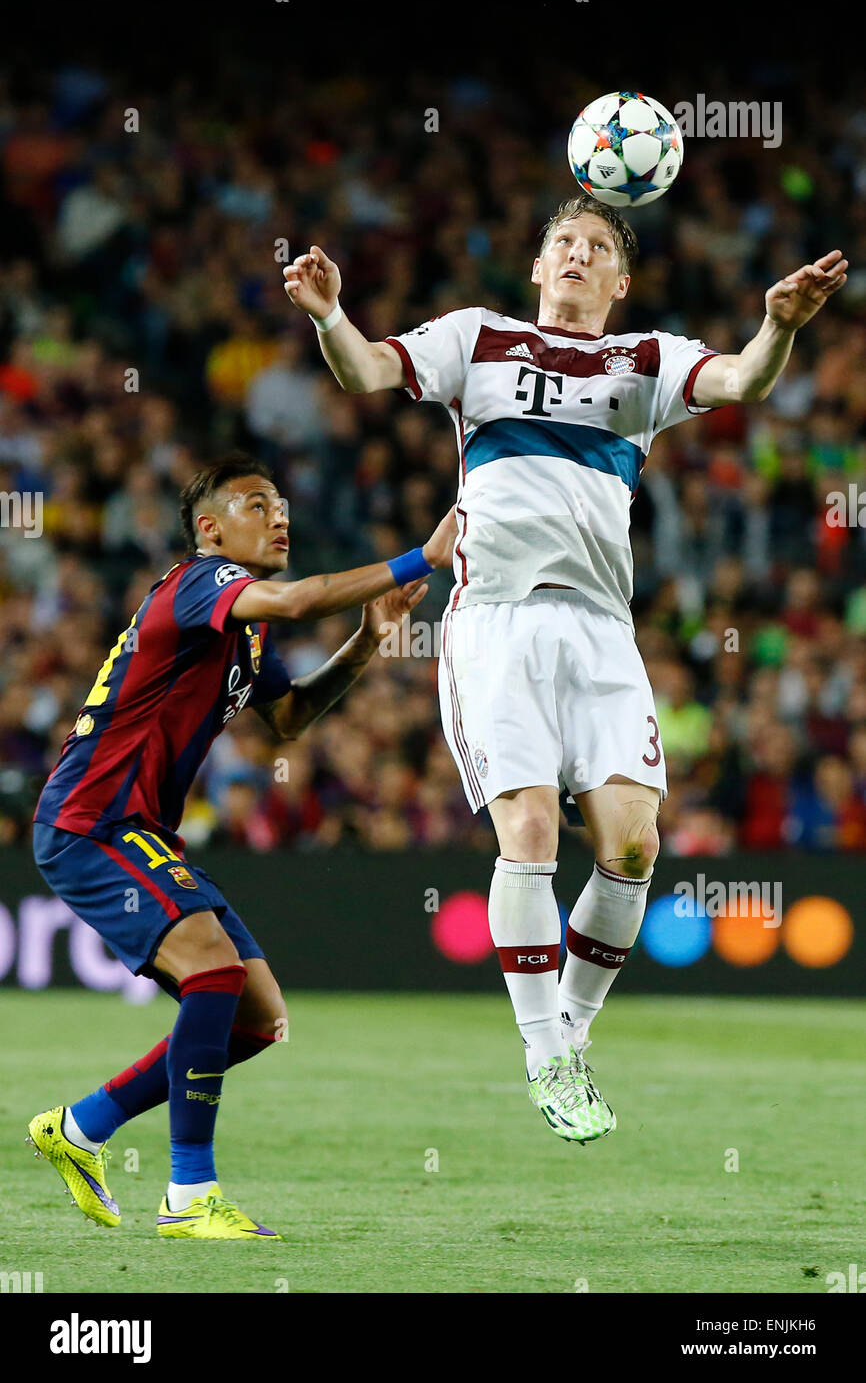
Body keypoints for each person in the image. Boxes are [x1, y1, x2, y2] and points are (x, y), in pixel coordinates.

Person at [284, 197, 847, 1143]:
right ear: (539, 269)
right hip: (497, 623)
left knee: (632, 846)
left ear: (620, 284)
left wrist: (777, 326)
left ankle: (567, 1039)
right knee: (533, 827)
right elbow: (368, 370)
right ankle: (546, 1053)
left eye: (597, 250)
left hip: (598, 630)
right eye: (564, 246)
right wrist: (329, 316)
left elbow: (747, 381)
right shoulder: (478, 338)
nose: (579, 257)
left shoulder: (651, 362)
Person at [28, 452, 456, 1238]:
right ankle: (190, 1196)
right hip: (94, 821)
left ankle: (80, 1128)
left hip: (141, 833)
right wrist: (419, 557)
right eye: (259, 505)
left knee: (256, 1018)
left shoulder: (244, 630)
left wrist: (367, 643)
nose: (280, 516)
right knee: (213, 970)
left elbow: (288, 721)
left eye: (284, 504)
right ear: (210, 528)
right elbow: (298, 599)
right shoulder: (198, 583)